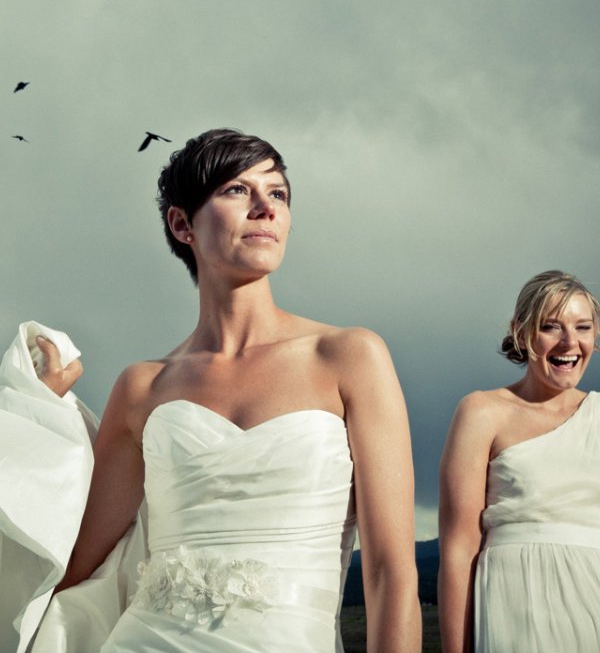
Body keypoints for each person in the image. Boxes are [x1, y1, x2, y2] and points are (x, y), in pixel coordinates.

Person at [25, 129, 420, 652]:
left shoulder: (349, 357)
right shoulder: (143, 386)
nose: (265, 208)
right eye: (237, 190)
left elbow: (392, 572)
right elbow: (73, 563)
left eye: (277, 192)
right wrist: (32, 414)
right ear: (182, 223)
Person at [438, 270, 600, 653]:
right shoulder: (481, 411)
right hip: (511, 603)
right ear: (521, 331)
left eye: (583, 327)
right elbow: (459, 548)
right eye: (550, 326)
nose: (570, 342)